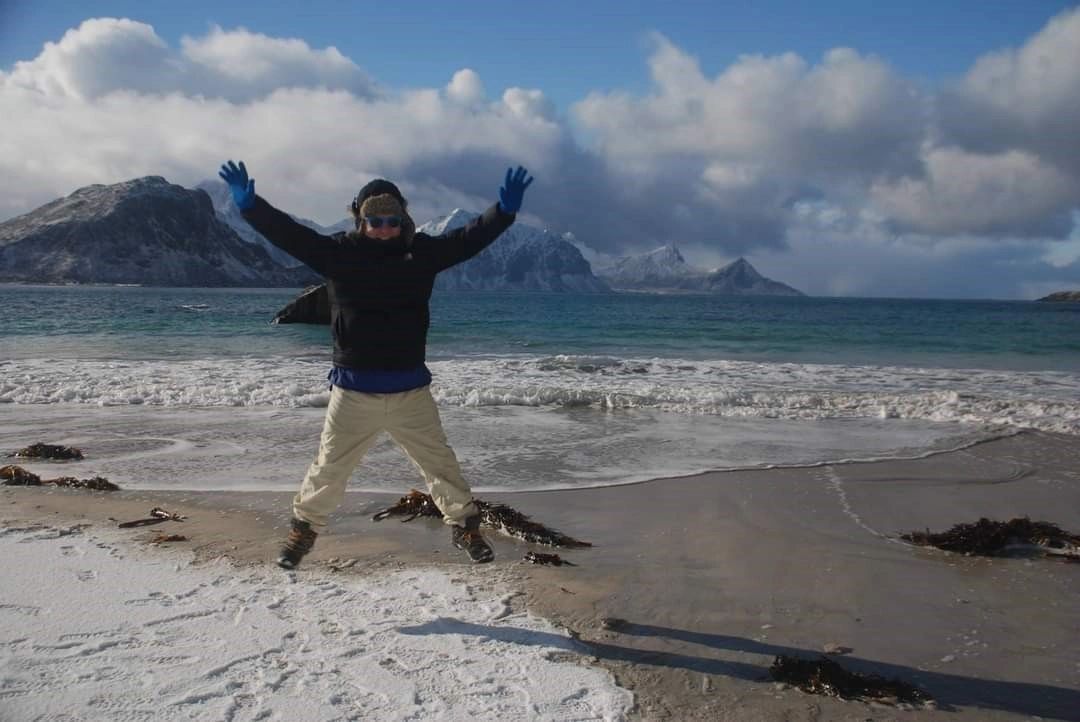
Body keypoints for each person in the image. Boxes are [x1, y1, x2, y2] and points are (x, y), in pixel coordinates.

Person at [218, 160, 533, 568]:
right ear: (360, 220)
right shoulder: (339, 255)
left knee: (441, 466)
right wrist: (250, 207)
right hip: (353, 394)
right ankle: (302, 533)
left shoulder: (422, 254)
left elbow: (468, 239)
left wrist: (502, 212)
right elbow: (289, 234)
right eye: (375, 221)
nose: (384, 229)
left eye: (391, 221)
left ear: (403, 219)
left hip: (410, 393)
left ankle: (465, 529)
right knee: (329, 468)